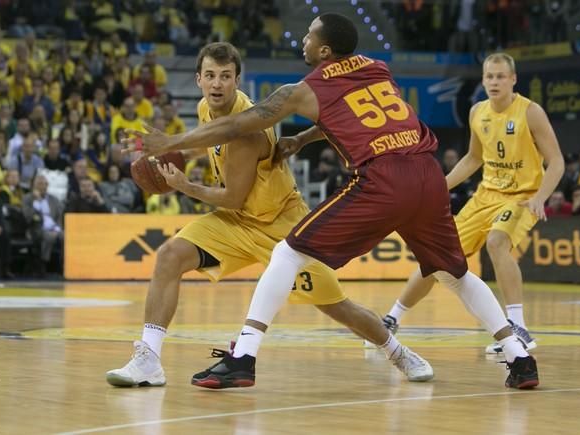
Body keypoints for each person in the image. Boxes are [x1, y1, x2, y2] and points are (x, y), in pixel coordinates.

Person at [126, 15, 538, 389]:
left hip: (367, 185)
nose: (302, 39)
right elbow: (374, 116)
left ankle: (245, 357)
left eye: (309, 35)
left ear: (323, 50)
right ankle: (520, 359)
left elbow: (238, 127)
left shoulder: (303, 89)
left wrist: (171, 143)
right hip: (425, 172)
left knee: (297, 263)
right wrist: (303, 138)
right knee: (456, 273)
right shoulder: (378, 69)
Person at [107, 42, 433, 388]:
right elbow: (211, 146)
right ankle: (149, 360)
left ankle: (397, 351)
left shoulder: (246, 129)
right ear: (198, 79)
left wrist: (184, 186)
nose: (217, 84)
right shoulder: (206, 108)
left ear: (237, 81)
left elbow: (232, 197)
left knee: (336, 305)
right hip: (238, 223)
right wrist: (181, 151)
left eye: (226, 77)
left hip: (281, 226)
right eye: (211, 76)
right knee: (170, 256)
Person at [378, 52, 564, 354]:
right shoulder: (478, 111)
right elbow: (473, 158)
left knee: (497, 242)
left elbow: (556, 162)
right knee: (436, 258)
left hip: (521, 196)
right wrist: (439, 186)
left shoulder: (530, 112)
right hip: (485, 196)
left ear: (513, 79)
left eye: (501, 76)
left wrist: (540, 197)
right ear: (483, 80)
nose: (494, 81)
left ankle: (520, 327)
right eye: (489, 76)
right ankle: (392, 318)